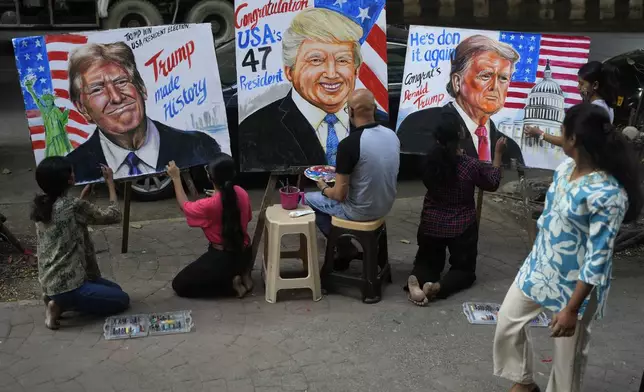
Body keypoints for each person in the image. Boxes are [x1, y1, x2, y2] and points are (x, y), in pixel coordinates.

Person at [493, 103, 642, 392]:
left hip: (575, 287)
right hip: (539, 268)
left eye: (563, 130)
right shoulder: (564, 169)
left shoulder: (608, 193)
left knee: (567, 358)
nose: (560, 134)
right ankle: (524, 381)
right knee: (507, 322)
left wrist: (572, 310)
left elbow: (598, 257)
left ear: (573, 139)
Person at [238, 8, 385, 171]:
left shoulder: (381, 124)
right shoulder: (255, 131)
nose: (331, 73)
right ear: (290, 71)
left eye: (342, 60)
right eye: (316, 60)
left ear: (356, 70)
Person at [65, 42, 221, 183]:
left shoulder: (199, 146)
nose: (116, 97)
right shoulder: (73, 168)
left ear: (141, 88)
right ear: (83, 109)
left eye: (121, 82)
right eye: (97, 89)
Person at [406, 112, 507, 306]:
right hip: (461, 227)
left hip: (431, 224)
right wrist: (498, 154)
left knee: (426, 263)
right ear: (460, 138)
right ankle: (439, 288)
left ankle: (417, 281)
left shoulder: (428, 162)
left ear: (436, 138)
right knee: (464, 270)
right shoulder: (469, 165)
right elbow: (492, 182)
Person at [305, 89, 400, 269]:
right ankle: (356, 250)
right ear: (373, 108)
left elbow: (340, 195)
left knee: (307, 199)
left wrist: (323, 186)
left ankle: (343, 246)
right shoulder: (391, 135)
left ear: (351, 111)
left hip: (359, 211)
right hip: (385, 205)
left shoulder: (349, 144)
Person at [32, 157, 129, 330]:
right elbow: (114, 215)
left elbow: (68, 220)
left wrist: (83, 197)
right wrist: (110, 184)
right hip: (70, 285)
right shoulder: (73, 206)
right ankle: (59, 305)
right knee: (122, 300)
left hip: (50, 281)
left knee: (115, 289)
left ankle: (56, 299)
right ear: (69, 179)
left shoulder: (42, 205)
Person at [397, 35, 524, 166]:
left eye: (503, 78)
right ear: (457, 82)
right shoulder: (420, 124)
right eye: (486, 76)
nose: (495, 87)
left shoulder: (510, 148)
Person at [167, 153, 254, 298]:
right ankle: (243, 273)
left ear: (210, 177)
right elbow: (249, 217)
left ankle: (232, 287)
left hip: (223, 258)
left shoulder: (208, 205)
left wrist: (176, 178)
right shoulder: (242, 193)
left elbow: (185, 206)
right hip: (244, 252)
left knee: (179, 284)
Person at [524, 61, 620, 147]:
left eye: (582, 84)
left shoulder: (594, 110)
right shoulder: (606, 106)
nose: (578, 87)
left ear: (595, 85)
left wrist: (540, 133)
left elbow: (571, 142)